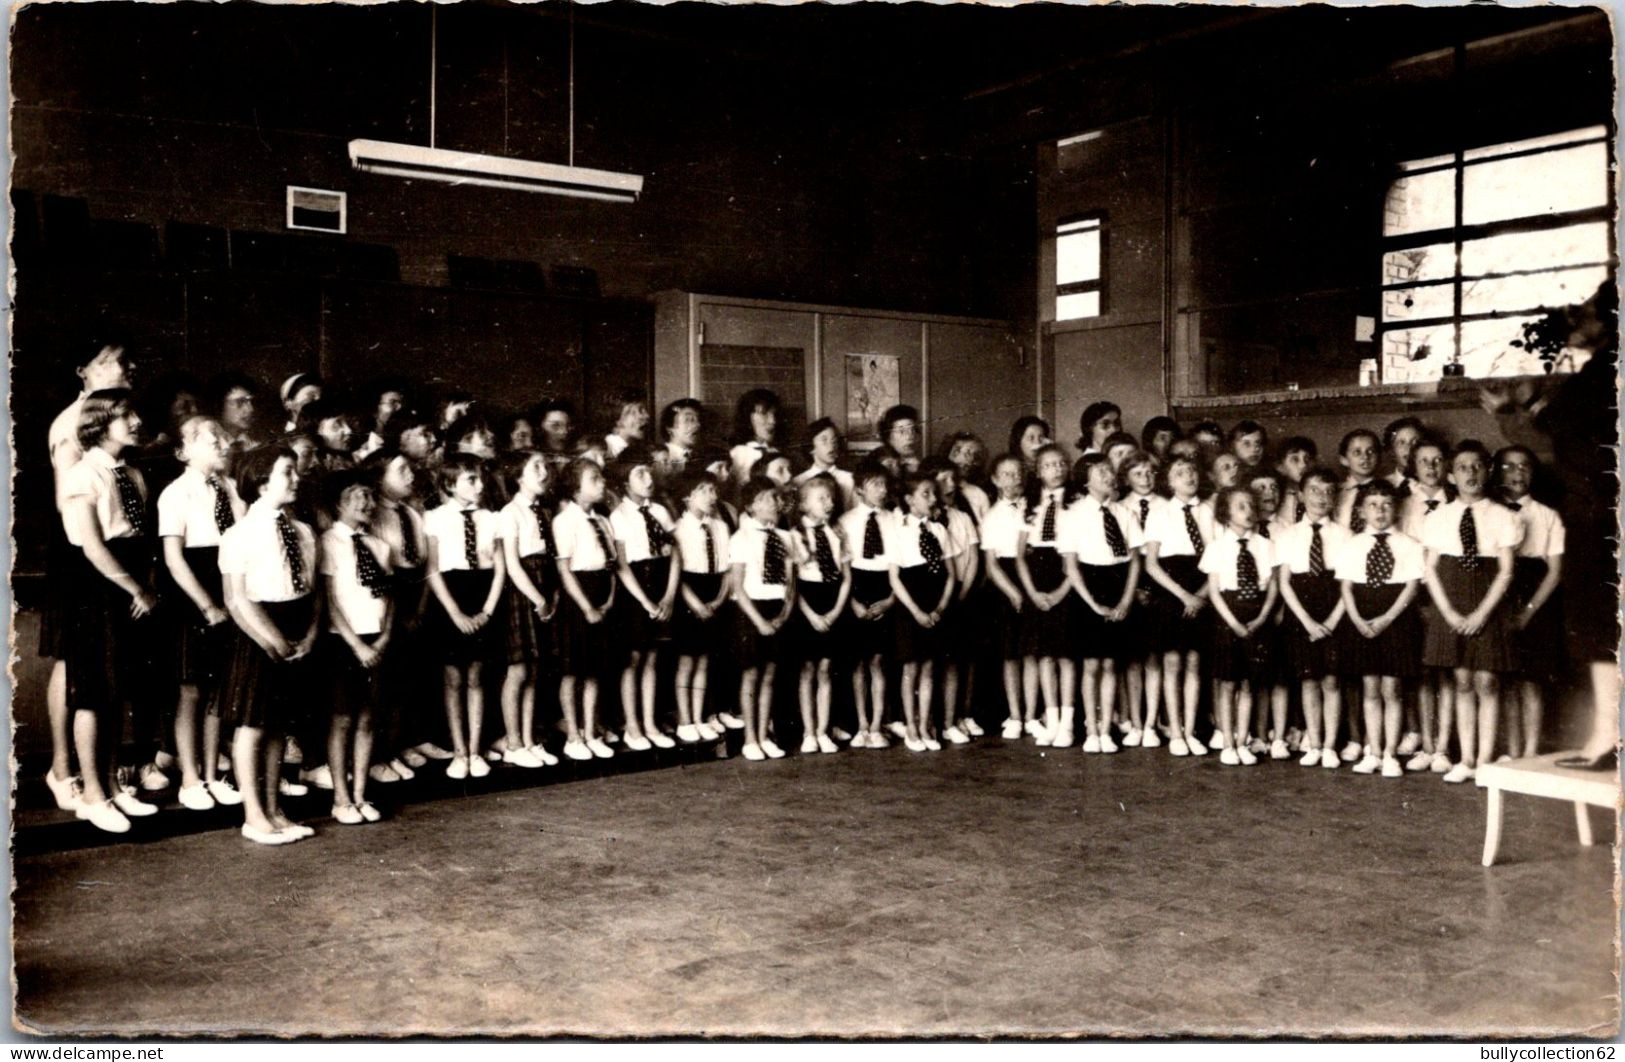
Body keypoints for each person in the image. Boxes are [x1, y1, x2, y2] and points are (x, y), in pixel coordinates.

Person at [59, 389, 162, 833]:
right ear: (101, 424)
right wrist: (134, 588)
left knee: (119, 687)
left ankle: (116, 786)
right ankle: (93, 795)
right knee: (95, 692)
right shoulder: (84, 475)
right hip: (99, 589)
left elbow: (143, 540)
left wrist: (146, 586)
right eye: (126, 415)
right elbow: (93, 546)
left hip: (132, 584)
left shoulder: (133, 474)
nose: (137, 421)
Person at [42, 342, 135, 814]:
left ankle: (104, 777)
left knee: (105, 670)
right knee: (76, 663)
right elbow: (70, 503)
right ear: (84, 370)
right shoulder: (71, 425)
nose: (128, 368)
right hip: (80, 548)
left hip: (107, 547)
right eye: (116, 361)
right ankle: (64, 770)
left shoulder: (123, 428)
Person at [217, 444, 319, 845]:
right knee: (252, 726)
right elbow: (236, 599)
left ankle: (276, 809)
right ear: (260, 483)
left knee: (279, 725)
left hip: (296, 630)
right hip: (259, 633)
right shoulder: (240, 534)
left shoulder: (304, 532)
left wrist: (309, 635)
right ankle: (254, 815)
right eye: (286, 473)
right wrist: (270, 639)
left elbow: (313, 592)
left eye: (295, 472)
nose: (296, 479)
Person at [157, 415, 247, 810]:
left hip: (228, 584)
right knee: (191, 690)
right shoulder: (176, 494)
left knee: (219, 690)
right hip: (194, 593)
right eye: (213, 441)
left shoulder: (230, 489)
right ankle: (190, 778)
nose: (223, 446)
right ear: (184, 450)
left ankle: (212, 773)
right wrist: (207, 605)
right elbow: (174, 559)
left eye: (224, 440)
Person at [1420, 441, 1521, 784]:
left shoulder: (1503, 516)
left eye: (1477, 466)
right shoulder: (1437, 518)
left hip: (1488, 602)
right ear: (1451, 475)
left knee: (1487, 680)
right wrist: (1447, 613)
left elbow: (1506, 571)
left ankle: (1486, 760)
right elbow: (1430, 570)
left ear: (1488, 471)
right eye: (1463, 467)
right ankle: (1465, 758)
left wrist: (1481, 613)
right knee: (1462, 680)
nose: (1471, 473)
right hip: (1452, 601)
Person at [423, 452, 507, 779]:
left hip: (482, 593)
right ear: (449, 484)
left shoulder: (491, 518)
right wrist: (455, 613)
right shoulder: (435, 518)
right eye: (470, 479)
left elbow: (499, 567)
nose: (479, 484)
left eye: (480, 478)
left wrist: (487, 609)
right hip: (450, 597)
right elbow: (431, 568)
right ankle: (458, 751)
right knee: (453, 678)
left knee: (476, 677)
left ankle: (475, 749)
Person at [318, 471, 395, 824]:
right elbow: (330, 601)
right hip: (343, 642)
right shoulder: (329, 542)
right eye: (356, 495)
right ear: (339, 503)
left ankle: (362, 795)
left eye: (369, 495)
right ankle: (341, 798)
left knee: (367, 718)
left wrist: (382, 638)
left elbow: (389, 599)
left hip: (375, 639)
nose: (366, 502)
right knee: (343, 719)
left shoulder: (380, 546)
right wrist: (356, 645)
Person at [1335, 481, 1423, 778]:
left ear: (1397, 509)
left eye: (1386, 504)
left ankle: (1390, 754)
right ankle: (1373, 751)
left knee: (1392, 688)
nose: (1380, 511)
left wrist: (1387, 618)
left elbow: (1411, 586)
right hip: (1362, 615)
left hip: (1396, 618)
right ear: (1361, 510)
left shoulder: (1409, 545)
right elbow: (1346, 586)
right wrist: (1358, 620)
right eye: (1373, 504)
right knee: (1370, 688)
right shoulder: (1353, 544)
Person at [1060, 453, 1143, 753]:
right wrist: (1093, 605)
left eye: (1110, 471)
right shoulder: (1072, 515)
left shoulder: (1125, 514)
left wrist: (1126, 600)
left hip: (1118, 585)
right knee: (1092, 664)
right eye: (1101, 472)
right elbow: (1070, 566)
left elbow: (1134, 562)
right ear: (1086, 480)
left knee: (1111, 663)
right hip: (1088, 589)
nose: (1109, 476)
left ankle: (1106, 730)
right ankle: (1091, 731)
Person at [1273, 467, 1350, 769]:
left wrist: (1331, 622)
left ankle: (1330, 746)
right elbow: (1284, 583)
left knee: (1331, 681)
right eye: (1315, 490)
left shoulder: (1345, 535)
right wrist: (1305, 621)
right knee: (1308, 681)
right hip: (1301, 612)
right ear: (1301, 495)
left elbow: (1348, 585)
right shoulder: (1287, 535)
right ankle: (1314, 743)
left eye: (1328, 491)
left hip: (1333, 610)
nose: (1321, 497)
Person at [1494, 446, 1567, 760]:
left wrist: (1527, 613)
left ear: (1532, 473)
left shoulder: (1547, 515)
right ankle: (1513, 752)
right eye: (1509, 467)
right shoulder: (1491, 513)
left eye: (1524, 466)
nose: (1517, 473)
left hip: (1537, 598)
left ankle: (1531, 751)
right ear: (1497, 472)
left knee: (1532, 681)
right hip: (1500, 592)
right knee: (1508, 681)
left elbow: (1554, 573)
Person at [1200, 486, 1277, 766]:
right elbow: (1214, 591)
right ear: (1226, 513)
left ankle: (1243, 740)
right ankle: (1228, 743)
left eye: (1251, 505)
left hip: (1257, 615)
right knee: (1228, 683)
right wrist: (1233, 622)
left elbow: (1272, 589)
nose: (1248, 512)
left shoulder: (1265, 545)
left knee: (1248, 683)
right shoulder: (1217, 547)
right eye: (1241, 506)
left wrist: (1261, 618)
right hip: (1228, 616)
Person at [609, 451, 681, 751]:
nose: (648, 479)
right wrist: (645, 602)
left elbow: (675, 554)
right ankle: (633, 726)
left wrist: (668, 595)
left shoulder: (662, 512)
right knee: (633, 658)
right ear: (625, 482)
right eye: (640, 475)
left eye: (649, 473)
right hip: (635, 590)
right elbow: (622, 565)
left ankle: (650, 723)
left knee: (653, 657)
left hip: (660, 583)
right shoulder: (619, 516)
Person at [1141, 453, 1213, 757]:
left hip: (1202, 586)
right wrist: (1184, 596)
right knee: (1172, 663)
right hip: (1172, 591)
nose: (1189, 476)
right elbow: (1152, 565)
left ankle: (1191, 728)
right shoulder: (1159, 512)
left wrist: (1202, 594)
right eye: (1181, 472)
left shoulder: (1209, 512)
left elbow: (1216, 559)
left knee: (1195, 662)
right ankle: (1175, 732)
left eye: (1192, 470)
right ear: (1169, 481)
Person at [496, 450, 562, 769]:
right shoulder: (510, 512)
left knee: (535, 670)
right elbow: (512, 564)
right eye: (535, 466)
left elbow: (550, 560)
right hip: (524, 592)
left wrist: (552, 595)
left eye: (545, 465)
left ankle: (528, 739)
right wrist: (538, 599)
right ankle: (512, 742)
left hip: (545, 587)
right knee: (519, 670)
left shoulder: (545, 512)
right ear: (518, 476)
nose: (544, 471)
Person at [552, 458, 620, 761]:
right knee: (573, 671)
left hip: (602, 593)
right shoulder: (564, 521)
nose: (602, 483)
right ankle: (574, 735)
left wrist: (609, 600)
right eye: (595, 479)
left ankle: (591, 731)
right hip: (578, 598)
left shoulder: (604, 521)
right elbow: (565, 571)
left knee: (594, 670)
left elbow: (611, 565)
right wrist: (586, 607)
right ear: (575, 487)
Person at [886, 471, 957, 752]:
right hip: (910, 605)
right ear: (909, 500)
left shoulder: (939, 530)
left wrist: (940, 606)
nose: (932, 499)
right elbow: (895, 577)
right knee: (911, 667)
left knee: (930, 666)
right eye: (924, 494)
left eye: (933, 493)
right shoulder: (899, 532)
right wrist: (915, 611)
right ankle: (911, 726)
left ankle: (926, 723)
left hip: (935, 601)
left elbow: (950, 575)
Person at [730, 476, 798, 760]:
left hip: (777, 609)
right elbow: (738, 587)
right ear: (752, 505)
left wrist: (784, 614)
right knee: (752, 674)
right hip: (752, 611)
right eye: (771, 498)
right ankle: (750, 739)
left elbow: (791, 583)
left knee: (770, 675)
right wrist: (759, 621)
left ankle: (764, 734)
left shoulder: (785, 538)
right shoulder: (741, 537)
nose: (777, 503)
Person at [1015, 443, 1076, 746]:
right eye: (1050, 465)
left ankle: (1066, 722)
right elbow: (1020, 555)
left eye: (1062, 463)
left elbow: (1077, 556)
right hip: (1036, 580)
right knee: (1043, 655)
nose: (1057, 469)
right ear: (1038, 471)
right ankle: (1050, 719)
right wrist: (1033, 593)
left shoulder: (1077, 503)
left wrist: (1063, 591)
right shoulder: (1029, 504)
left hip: (1066, 576)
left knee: (1066, 655)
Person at [790, 474, 850, 754]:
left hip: (832, 599)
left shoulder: (836, 532)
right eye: (821, 498)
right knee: (808, 669)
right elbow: (792, 583)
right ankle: (808, 731)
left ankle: (824, 730)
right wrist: (811, 615)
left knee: (826, 668)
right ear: (803, 504)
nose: (829, 503)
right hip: (807, 602)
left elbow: (845, 576)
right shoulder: (796, 534)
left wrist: (836, 610)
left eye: (830, 497)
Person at [669, 470, 731, 743]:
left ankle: (699, 716)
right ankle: (685, 720)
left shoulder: (721, 527)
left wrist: (718, 600)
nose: (712, 496)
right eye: (704, 491)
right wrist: (695, 604)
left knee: (705, 660)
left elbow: (728, 568)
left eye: (714, 491)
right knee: (687, 661)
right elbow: (677, 574)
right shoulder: (679, 529)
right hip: (688, 595)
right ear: (687, 496)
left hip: (715, 591)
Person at [839, 460, 897, 748]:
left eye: (885, 484)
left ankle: (877, 724)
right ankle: (861, 723)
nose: (882, 490)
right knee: (858, 662)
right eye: (875, 484)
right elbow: (841, 571)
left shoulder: (895, 519)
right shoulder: (846, 522)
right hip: (857, 588)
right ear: (860, 489)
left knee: (878, 660)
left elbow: (901, 567)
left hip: (885, 586)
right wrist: (852, 603)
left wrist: (889, 600)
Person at [925, 458, 982, 744]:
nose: (950, 485)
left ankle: (955, 718)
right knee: (928, 663)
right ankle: (929, 721)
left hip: (959, 593)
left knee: (958, 661)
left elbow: (972, 557)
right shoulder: (925, 520)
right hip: (929, 595)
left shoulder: (961, 517)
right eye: (943, 480)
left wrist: (961, 592)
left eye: (952, 480)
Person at [981, 454, 1034, 741]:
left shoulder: (1034, 507)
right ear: (995, 480)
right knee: (1011, 653)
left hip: (1034, 577)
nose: (1014, 479)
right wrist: (1013, 592)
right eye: (1007, 474)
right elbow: (991, 564)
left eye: (1018, 473)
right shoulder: (992, 515)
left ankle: (1032, 714)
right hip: (1006, 582)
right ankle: (1015, 715)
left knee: (1032, 652)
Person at [1119, 449, 1164, 748]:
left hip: (1160, 581)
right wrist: (1132, 589)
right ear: (1125, 478)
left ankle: (1152, 721)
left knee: (1155, 657)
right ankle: (1135, 721)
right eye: (1137, 473)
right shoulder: (1120, 508)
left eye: (1150, 473)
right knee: (1132, 659)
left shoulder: (1166, 507)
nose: (1145, 479)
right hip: (1130, 583)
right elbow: (1123, 556)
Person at [793, 417, 856, 510]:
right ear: (811, 447)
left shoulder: (850, 479)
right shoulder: (799, 481)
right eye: (824, 440)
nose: (831, 446)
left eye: (834, 441)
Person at [729, 388, 783, 487]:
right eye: (764, 414)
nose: (773, 421)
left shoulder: (776, 451)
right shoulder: (738, 454)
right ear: (747, 417)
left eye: (774, 414)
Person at [604, 392, 651, 459]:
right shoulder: (607, 450)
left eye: (645, 410)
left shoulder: (639, 448)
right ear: (618, 418)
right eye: (640, 410)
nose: (647, 416)